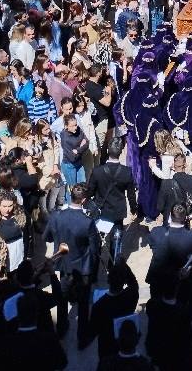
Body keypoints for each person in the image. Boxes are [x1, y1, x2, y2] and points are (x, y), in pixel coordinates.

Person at [44, 182, 101, 339]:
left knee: (61, 301)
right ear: (83, 200)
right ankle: (82, 337)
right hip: (82, 268)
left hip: (63, 265)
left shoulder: (55, 216)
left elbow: (47, 237)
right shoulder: (87, 221)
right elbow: (94, 248)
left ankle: (61, 330)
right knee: (83, 305)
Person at [87, 140, 138, 265]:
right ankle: (114, 268)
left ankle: (95, 267)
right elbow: (131, 195)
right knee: (116, 241)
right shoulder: (127, 172)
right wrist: (133, 209)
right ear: (120, 152)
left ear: (108, 151)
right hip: (117, 212)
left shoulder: (97, 171)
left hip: (101, 210)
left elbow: (90, 192)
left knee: (98, 240)